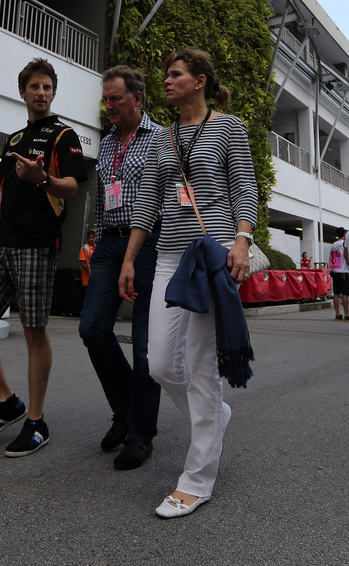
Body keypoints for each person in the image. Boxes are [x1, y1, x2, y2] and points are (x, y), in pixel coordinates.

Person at [119, 48, 258, 519]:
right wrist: (131, 257)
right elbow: (147, 202)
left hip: (209, 253)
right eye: (165, 75)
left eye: (175, 74)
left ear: (200, 80)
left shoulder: (228, 127)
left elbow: (243, 186)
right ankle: (214, 417)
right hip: (167, 258)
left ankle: (196, 479)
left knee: (200, 365)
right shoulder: (162, 138)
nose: (167, 80)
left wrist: (241, 240)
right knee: (158, 363)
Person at [0, 58, 86, 458]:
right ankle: (5, 401)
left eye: (47, 87)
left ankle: (35, 419)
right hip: (1, 242)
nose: (41, 93)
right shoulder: (13, 140)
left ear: (53, 92)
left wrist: (42, 178)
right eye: (35, 87)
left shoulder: (63, 135)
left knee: (33, 331)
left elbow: (71, 189)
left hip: (37, 243)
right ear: (23, 92)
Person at [78, 65, 164, 471]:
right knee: (92, 328)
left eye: (115, 98)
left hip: (148, 243)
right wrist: (95, 238)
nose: (108, 105)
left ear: (137, 99)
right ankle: (125, 407)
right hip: (109, 244)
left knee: (145, 343)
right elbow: (103, 193)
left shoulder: (161, 138)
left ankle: (140, 433)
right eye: (106, 98)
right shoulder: (109, 140)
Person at [328, 229, 349, 320]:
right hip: (343, 271)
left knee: (336, 293)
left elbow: (332, 258)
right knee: (345, 293)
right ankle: (347, 314)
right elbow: (346, 255)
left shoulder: (333, 245)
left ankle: (338, 314)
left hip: (335, 271)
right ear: (344, 234)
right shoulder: (345, 243)